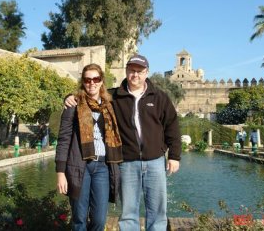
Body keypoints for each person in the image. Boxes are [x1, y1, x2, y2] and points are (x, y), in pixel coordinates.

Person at [65, 54, 181, 231]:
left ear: (146, 72)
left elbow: (172, 126)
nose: (135, 75)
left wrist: (174, 156)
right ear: (126, 72)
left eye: (139, 71)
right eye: (132, 71)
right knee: (128, 212)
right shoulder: (114, 97)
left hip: (155, 161)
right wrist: (69, 97)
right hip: (126, 162)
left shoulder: (159, 97)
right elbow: (90, 94)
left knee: (157, 212)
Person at [56, 63, 123, 231]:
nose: (91, 83)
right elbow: (63, 140)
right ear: (82, 82)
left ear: (101, 81)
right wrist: (60, 173)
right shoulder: (73, 105)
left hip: (103, 167)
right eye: (87, 80)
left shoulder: (109, 105)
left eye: (96, 79)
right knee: (79, 218)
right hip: (79, 166)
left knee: (99, 219)